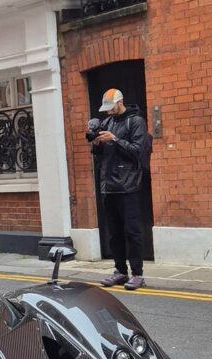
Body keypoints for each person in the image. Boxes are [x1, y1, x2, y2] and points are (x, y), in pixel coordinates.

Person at [91, 88, 148, 291]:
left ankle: (138, 274)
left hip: (128, 185)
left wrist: (114, 139)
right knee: (114, 234)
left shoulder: (136, 122)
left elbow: (136, 151)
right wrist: (97, 143)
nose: (107, 112)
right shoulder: (107, 122)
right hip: (109, 186)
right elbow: (98, 154)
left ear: (120, 102)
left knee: (132, 232)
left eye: (110, 107)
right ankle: (120, 271)